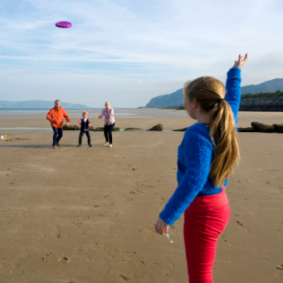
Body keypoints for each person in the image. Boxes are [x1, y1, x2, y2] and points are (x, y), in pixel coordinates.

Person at [155, 54, 248, 283]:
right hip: (219, 205)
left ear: (194, 103)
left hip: (204, 212)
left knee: (200, 276)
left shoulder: (197, 133)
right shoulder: (226, 121)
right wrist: (235, 73)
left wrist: (168, 215)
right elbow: (232, 101)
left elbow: (195, 179)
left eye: (185, 98)